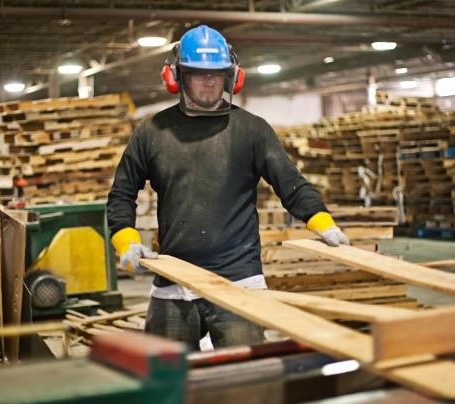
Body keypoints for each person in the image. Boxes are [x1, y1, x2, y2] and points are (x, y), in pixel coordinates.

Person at [107, 25, 349, 350]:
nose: (209, 81)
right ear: (177, 77)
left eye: (217, 74)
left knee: (246, 372)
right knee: (162, 372)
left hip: (239, 280)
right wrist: (125, 240)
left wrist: (323, 222)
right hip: (174, 277)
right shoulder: (152, 132)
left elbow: (291, 184)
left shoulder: (252, 130)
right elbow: (122, 193)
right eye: (198, 74)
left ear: (232, 77)